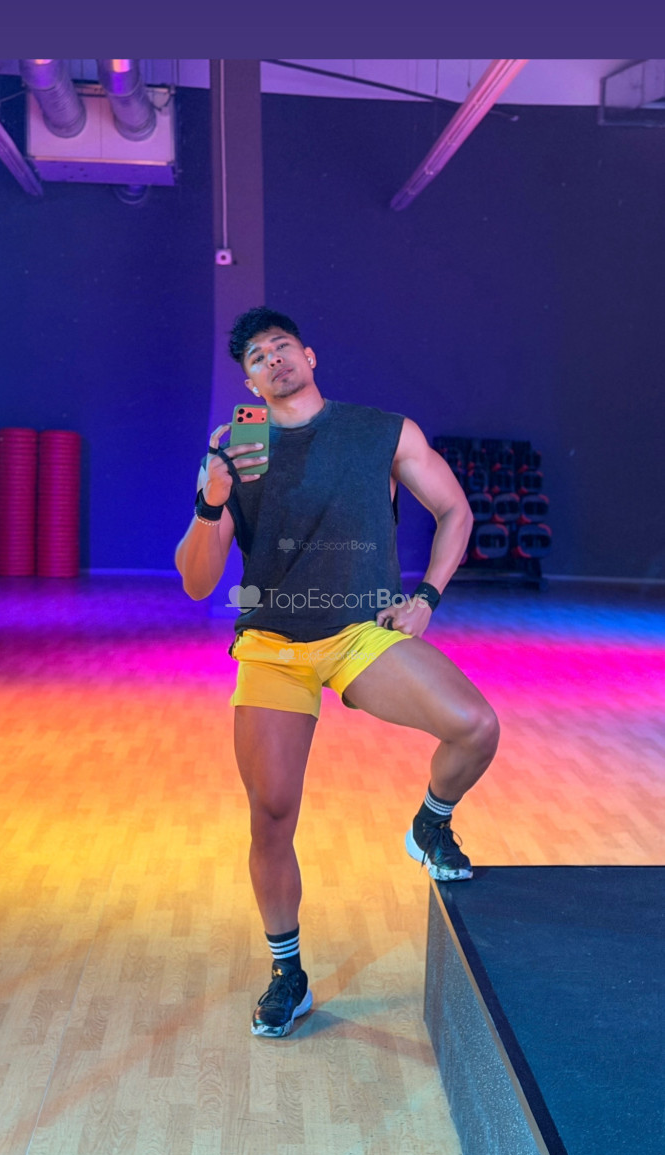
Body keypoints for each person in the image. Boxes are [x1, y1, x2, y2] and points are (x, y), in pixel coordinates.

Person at [175, 306, 499, 1039]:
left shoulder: (382, 431)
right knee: (271, 814)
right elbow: (197, 582)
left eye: (281, 346)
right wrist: (209, 502)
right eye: (257, 357)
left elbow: (454, 510)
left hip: (358, 632)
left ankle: (430, 823)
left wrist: (425, 598)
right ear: (250, 382)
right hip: (272, 646)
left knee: (475, 726)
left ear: (310, 355)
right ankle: (287, 973)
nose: (273, 359)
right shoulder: (238, 443)